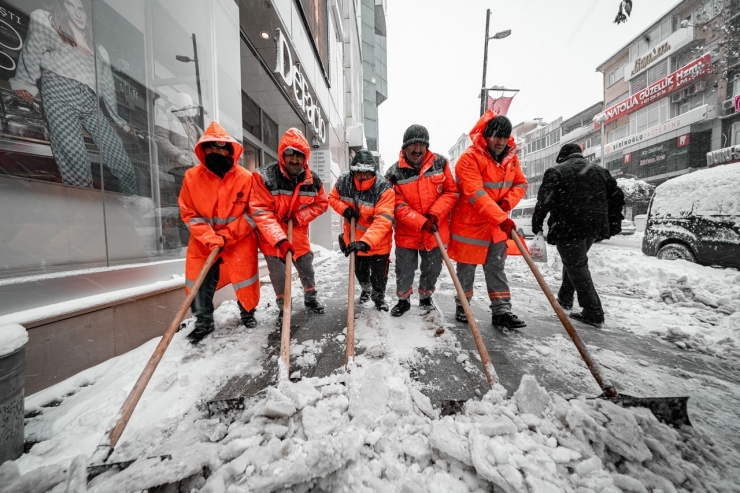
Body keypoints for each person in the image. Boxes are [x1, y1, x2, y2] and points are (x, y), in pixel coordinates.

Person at [10, 0, 137, 195]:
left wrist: (121, 122)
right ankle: (83, 211)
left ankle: (132, 205)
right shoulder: (49, 23)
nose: (78, 14)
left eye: (81, 10)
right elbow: (32, 49)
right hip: (58, 91)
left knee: (120, 159)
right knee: (75, 160)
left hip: (89, 99)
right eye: (71, 6)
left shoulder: (98, 49)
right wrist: (25, 82)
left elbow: (107, 87)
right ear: (63, 8)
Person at [179, 121, 260, 344]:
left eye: (221, 148)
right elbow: (189, 212)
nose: (216, 153)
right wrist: (209, 236)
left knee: (246, 278)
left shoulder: (246, 178)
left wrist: (227, 235)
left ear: (230, 150)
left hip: (239, 239)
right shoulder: (191, 177)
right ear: (203, 151)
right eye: (210, 148)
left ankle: (247, 312)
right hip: (203, 241)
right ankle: (203, 322)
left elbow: (253, 214)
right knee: (200, 280)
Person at [447, 112, 528, 329]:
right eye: (496, 136)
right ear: (486, 135)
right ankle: (463, 305)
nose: (500, 141)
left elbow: (521, 184)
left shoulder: (511, 158)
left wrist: (504, 205)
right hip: (470, 228)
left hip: (496, 227)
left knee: (496, 268)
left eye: (505, 137)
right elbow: (476, 193)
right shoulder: (469, 158)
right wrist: (501, 217)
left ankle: (502, 311)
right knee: (467, 270)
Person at [532, 143, 625, 327]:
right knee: (574, 262)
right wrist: (612, 222)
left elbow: (544, 200)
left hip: (568, 226)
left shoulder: (557, 171)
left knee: (576, 265)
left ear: (562, 156)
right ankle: (565, 298)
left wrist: (538, 222)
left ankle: (593, 311)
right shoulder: (600, 171)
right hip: (593, 227)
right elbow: (617, 197)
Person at [250, 128, 328, 325]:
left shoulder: (313, 181)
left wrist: (299, 216)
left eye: (299, 155)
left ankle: (310, 299)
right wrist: (280, 239)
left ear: (306, 158)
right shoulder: (264, 177)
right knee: (279, 277)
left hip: (298, 236)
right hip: (272, 239)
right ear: (282, 154)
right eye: (289, 154)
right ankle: (284, 308)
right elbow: (261, 211)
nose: (294, 160)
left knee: (307, 270)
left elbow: (322, 204)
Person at [384, 125, 459, 316]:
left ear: (427, 146)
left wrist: (435, 213)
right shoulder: (393, 173)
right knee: (404, 269)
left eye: (422, 145)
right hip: (407, 232)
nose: (417, 149)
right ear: (404, 147)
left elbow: (451, 191)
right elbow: (397, 205)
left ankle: (426, 296)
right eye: (413, 145)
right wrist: (420, 221)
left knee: (432, 269)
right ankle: (403, 300)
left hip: (435, 230)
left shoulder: (440, 163)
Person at [329, 150, 395, 311]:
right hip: (354, 240)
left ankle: (379, 298)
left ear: (373, 171)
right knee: (361, 273)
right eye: (359, 173)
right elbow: (332, 198)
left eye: (367, 173)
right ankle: (366, 289)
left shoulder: (383, 187)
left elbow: (383, 220)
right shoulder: (344, 182)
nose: (363, 176)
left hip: (378, 243)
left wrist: (365, 242)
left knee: (379, 277)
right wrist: (344, 209)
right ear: (353, 171)